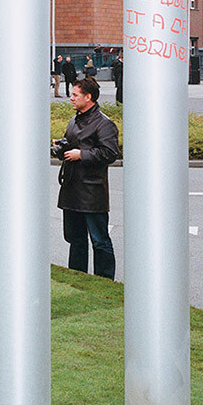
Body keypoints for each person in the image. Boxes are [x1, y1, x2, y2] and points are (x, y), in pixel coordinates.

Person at [56, 77, 119, 279]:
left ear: (88, 97)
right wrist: (62, 148)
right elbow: (74, 146)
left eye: (75, 95)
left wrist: (81, 154)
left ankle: (104, 279)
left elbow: (109, 153)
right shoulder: (74, 120)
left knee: (99, 239)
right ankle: (77, 276)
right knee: (75, 238)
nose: (71, 98)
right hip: (72, 188)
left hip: (92, 191)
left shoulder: (104, 123)